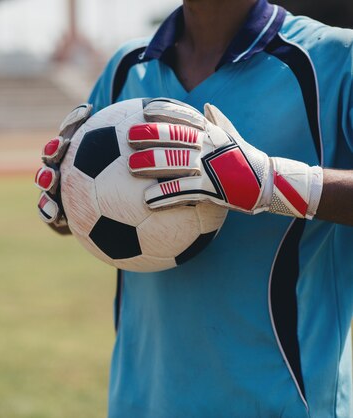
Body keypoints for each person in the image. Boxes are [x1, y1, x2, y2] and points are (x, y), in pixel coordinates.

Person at [35, 0, 353, 416]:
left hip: (283, 404)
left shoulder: (332, 59)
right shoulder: (126, 67)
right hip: (140, 403)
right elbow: (97, 218)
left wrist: (273, 182)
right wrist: (66, 204)